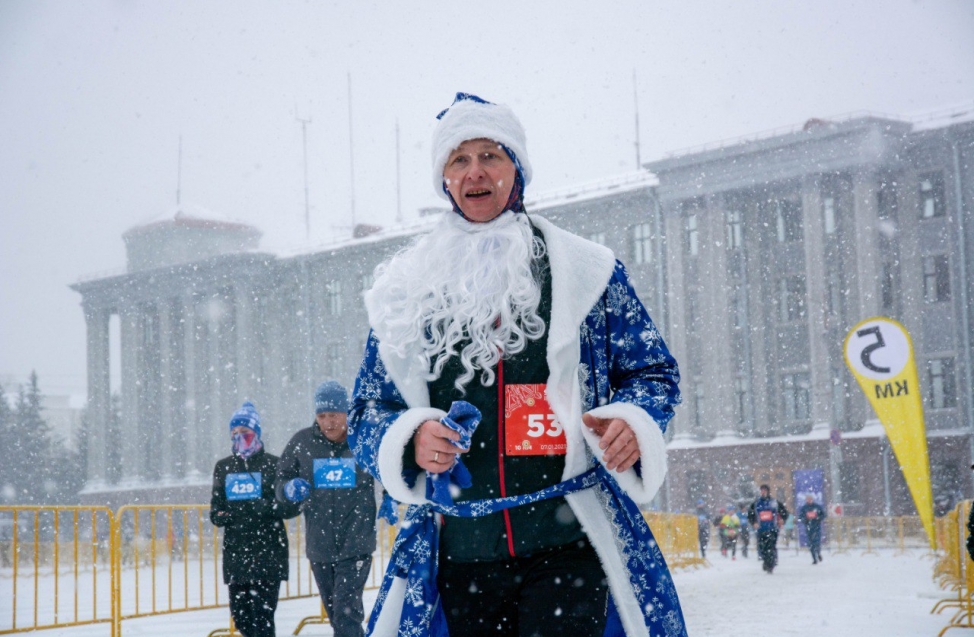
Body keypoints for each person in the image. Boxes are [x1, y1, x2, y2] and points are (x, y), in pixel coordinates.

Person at [348, 93, 687, 637]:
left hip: (567, 542)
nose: (475, 172)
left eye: (491, 155)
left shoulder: (588, 271)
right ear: (444, 179)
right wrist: (409, 439)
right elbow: (366, 409)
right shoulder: (403, 290)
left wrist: (633, 421)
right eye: (459, 159)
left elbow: (653, 372)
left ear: (518, 168)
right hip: (459, 551)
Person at [277, 381, 376, 637]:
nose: (328, 422)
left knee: (346, 615)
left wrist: (390, 498)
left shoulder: (362, 441)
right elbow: (281, 479)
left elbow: (390, 467)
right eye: (322, 415)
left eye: (334, 415)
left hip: (356, 543)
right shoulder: (302, 442)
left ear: (346, 413)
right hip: (319, 546)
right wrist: (288, 489)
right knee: (338, 617)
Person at [210, 402, 298, 637]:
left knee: (263, 619)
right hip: (237, 555)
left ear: (257, 433)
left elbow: (289, 507)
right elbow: (215, 512)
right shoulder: (224, 467)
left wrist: (267, 507)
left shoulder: (274, 464)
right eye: (235, 434)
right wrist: (228, 514)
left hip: (268, 554)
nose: (240, 438)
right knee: (241, 620)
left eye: (245, 433)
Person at [747, 484, 789, 574]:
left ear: (768, 491)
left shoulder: (774, 503)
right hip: (761, 530)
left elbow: (784, 512)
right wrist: (754, 522)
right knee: (762, 548)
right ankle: (766, 562)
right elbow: (750, 515)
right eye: (761, 490)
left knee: (771, 547)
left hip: (772, 529)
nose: (763, 492)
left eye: (764, 490)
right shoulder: (756, 503)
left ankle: (771, 564)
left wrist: (782, 520)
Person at [797, 493, 826, 564]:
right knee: (811, 544)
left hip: (816, 527)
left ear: (812, 499)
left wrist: (818, 518)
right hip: (809, 528)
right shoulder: (804, 508)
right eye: (808, 499)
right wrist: (805, 520)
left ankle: (818, 553)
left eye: (810, 499)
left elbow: (823, 514)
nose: (809, 500)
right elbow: (800, 517)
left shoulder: (817, 507)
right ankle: (814, 558)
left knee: (817, 542)